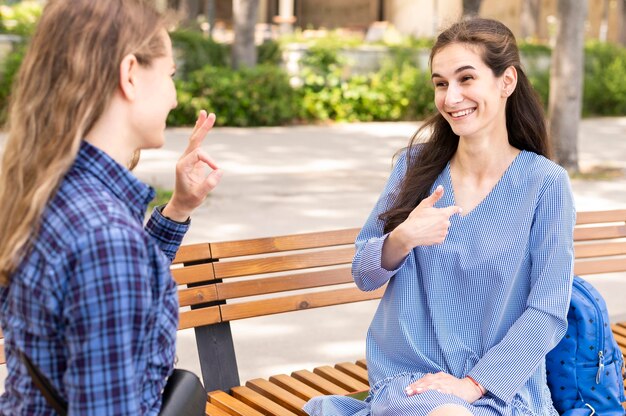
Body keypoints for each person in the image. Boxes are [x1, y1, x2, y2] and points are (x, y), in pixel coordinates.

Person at [304, 17, 575, 416]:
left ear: (507, 82)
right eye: (440, 83)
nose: (451, 98)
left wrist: (474, 385)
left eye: (466, 79)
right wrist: (402, 238)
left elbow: (548, 310)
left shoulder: (545, 184)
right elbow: (363, 274)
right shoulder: (415, 168)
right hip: (411, 382)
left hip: (504, 387)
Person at [0, 0, 223, 414]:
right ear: (130, 75)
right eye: (170, 75)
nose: (175, 98)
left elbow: (107, 291)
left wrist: (178, 208)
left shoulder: (45, 193)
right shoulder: (105, 237)